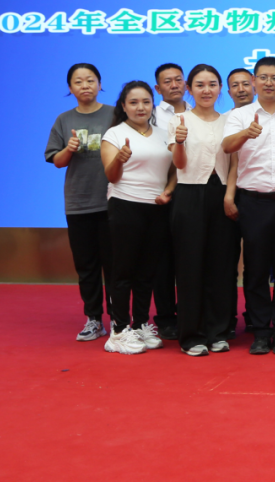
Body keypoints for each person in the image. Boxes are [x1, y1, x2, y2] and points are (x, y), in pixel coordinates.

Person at [223, 56, 275, 355]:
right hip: (252, 201)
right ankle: (260, 331)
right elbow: (227, 147)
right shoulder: (240, 115)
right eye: (263, 77)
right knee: (256, 270)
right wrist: (245, 133)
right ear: (254, 82)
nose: (268, 83)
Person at [99, 81, 175, 354]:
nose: (140, 107)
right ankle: (119, 331)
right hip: (125, 205)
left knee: (147, 272)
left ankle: (140, 324)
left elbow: (175, 169)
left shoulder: (164, 134)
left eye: (145, 101)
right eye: (133, 102)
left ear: (153, 104)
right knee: (123, 271)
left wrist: (168, 191)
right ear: (123, 106)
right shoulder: (114, 134)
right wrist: (120, 159)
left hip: (156, 208)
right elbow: (111, 176)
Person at [168, 64, 238, 356]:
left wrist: (230, 195)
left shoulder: (230, 121)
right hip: (189, 194)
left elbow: (234, 163)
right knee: (190, 266)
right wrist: (180, 142)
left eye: (212, 85)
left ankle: (218, 331)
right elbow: (179, 164)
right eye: (199, 85)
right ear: (189, 89)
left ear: (220, 89)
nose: (206, 90)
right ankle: (191, 335)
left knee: (221, 265)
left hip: (222, 195)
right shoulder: (179, 120)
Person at [45, 63, 114, 342]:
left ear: (100, 84)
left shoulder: (115, 114)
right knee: (86, 266)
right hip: (79, 202)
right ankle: (94, 319)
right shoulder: (64, 119)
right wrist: (68, 149)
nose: (85, 85)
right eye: (78, 81)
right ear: (70, 88)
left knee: (115, 265)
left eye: (90, 80)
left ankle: (120, 319)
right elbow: (57, 161)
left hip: (113, 200)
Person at [149, 63, 185, 339]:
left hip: (193, 192)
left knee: (190, 256)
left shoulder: (199, 112)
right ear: (158, 88)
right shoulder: (151, 115)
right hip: (160, 195)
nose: (174, 85)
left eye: (178, 80)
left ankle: (189, 312)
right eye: (167, 81)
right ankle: (165, 317)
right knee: (162, 259)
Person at [223, 68, 254, 336]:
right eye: (235, 85)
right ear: (228, 90)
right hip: (227, 196)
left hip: (254, 195)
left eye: (246, 84)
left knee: (257, 262)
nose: (241, 89)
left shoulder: (268, 117)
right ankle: (227, 318)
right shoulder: (225, 120)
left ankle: (255, 317)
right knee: (228, 261)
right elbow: (232, 160)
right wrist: (229, 196)